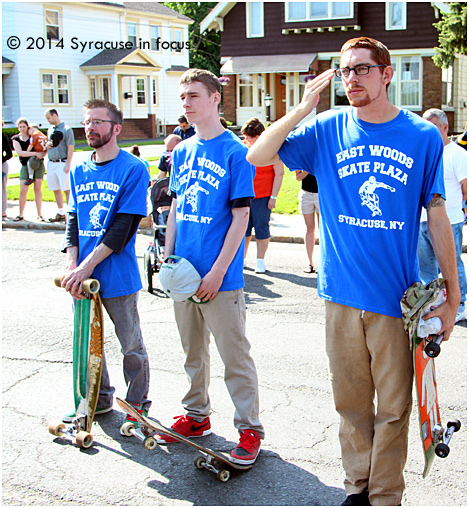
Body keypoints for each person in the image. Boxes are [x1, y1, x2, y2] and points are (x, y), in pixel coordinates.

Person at [247, 37, 460, 506]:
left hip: (394, 300)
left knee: (396, 408)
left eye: (362, 69)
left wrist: (453, 294)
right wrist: (302, 108)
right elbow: (258, 156)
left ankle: (384, 495)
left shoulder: (421, 136)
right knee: (351, 407)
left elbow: (438, 214)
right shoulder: (326, 129)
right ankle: (356, 488)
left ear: (387, 74)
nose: (351, 79)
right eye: (345, 71)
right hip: (340, 296)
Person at [159, 68, 264, 465]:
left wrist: (219, 270)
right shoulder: (182, 150)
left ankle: (249, 428)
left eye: (193, 96)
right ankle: (196, 416)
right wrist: (167, 258)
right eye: (183, 96)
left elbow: (241, 218)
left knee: (233, 355)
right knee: (192, 352)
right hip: (182, 272)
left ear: (215, 99)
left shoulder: (236, 152)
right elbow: (174, 209)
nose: (185, 103)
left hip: (219, 275)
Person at [60, 99, 151, 428]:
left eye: (98, 121)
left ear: (116, 128)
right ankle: (98, 399)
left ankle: (138, 404)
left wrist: (87, 266)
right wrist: (74, 265)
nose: (90, 127)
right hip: (82, 275)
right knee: (88, 343)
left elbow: (122, 229)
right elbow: (73, 219)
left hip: (117, 275)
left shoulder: (133, 168)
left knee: (130, 344)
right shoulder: (79, 169)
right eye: (87, 122)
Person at [418, 109, 467, 323]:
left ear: (445, 128)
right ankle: (431, 304)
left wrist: (461, 209)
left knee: (452, 264)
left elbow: (466, 188)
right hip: (422, 221)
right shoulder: (424, 153)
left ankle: (461, 304)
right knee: (425, 266)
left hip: (451, 221)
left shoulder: (457, 154)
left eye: (433, 126)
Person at [241, 118, 284, 273]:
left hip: (263, 196)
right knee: (243, 229)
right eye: (245, 136)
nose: (246, 140)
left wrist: (273, 197)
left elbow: (279, 173)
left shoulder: (271, 148)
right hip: (244, 195)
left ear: (259, 136)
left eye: (249, 137)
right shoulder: (242, 147)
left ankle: (260, 261)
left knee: (261, 228)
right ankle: (242, 259)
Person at [11, 118, 46, 222]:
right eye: (20, 127)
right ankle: (20, 214)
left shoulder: (34, 136)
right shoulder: (16, 139)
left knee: (38, 189)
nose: (22, 129)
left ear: (28, 127)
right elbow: (20, 152)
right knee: (23, 190)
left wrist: (42, 154)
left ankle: (39, 214)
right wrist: (35, 153)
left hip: (37, 164)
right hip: (25, 165)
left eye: (24, 126)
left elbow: (43, 147)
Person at [44, 108, 75, 222]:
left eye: (49, 118)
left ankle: (71, 214)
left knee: (66, 189)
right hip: (51, 161)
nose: (48, 120)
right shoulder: (50, 129)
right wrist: (46, 145)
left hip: (62, 162)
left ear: (55, 115)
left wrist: (68, 164)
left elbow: (70, 147)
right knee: (55, 188)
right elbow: (49, 143)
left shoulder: (67, 129)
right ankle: (61, 212)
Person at [295, 171, 320, 273]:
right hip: (306, 194)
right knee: (309, 228)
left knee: (322, 229)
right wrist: (307, 168)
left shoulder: (321, 155)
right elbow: (298, 177)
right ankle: (309, 262)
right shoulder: (301, 156)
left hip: (321, 193)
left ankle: (322, 262)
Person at [2, 123, 13, 219]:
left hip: (2, 166)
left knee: (2, 188)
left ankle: (2, 211)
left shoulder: (2, 137)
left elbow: (9, 154)